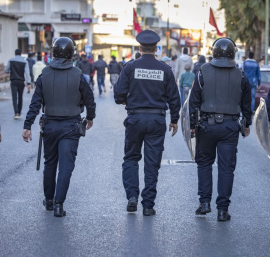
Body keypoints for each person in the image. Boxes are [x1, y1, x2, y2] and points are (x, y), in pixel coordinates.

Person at [22, 37, 96, 217]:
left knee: (50, 164)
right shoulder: (78, 74)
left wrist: (27, 125)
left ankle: (48, 200)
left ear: (53, 53)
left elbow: (35, 103)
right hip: (71, 126)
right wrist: (90, 118)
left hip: (49, 126)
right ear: (72, 54)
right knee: (66, 166)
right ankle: (58, 204)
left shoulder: (44, 75)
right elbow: (89, 100)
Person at [114, 29, 181, 216]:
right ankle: (148, 205)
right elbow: (174, 98)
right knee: (152, 163)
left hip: (135, 118)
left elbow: (118, 94)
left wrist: (125, 101)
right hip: (157, 120)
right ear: (156, 48)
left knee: (131, 158)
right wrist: (174, 120)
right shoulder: (165, 69)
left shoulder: (130, 67)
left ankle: (132, 197)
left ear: (139, 47)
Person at [189, 38, 252, 221]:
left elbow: (194, 101)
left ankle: (204, 203)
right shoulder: (241, 75)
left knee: (204, 164)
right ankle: (222, 210)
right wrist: (246, 123)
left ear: (214, 52)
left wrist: (192, 126)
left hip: (206, 126)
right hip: (230, 127)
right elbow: (246, 103)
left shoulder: (202, 72)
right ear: (233, 53)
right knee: (226, 168)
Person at [4, 48, 31, 119]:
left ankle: (16, 112)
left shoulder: (11, 60)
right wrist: (28, 83)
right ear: (20, 53)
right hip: (21, 81)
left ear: (15, 53)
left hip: (13, 81)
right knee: (20, 97)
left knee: (14, 97)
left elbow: (6, 70)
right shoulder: (25, 62)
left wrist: (10, 71)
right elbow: (27, 73)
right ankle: (19, 112)